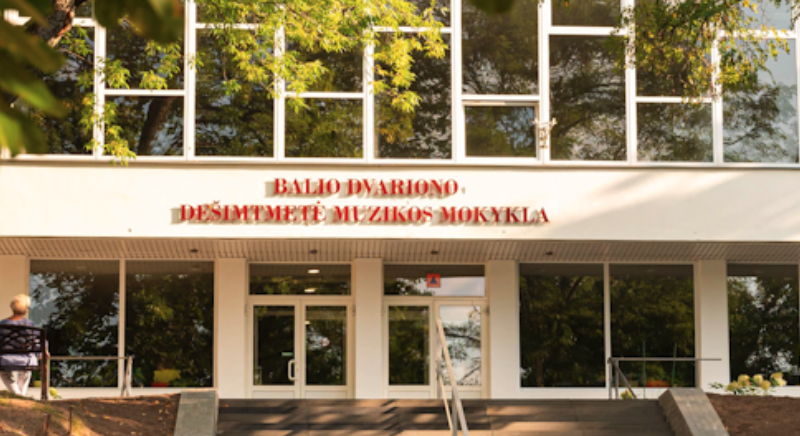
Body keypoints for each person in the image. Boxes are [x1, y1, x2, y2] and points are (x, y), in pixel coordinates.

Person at [0, 294, 46, 396]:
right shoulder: (29, 324)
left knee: (3, 372)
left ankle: (17, 394)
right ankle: (21, 395)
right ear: (25, 310)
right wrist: (42, 353)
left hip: (5, 360)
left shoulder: (2, 324)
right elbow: (37, 341)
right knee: (26, 371)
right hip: (25, 360)